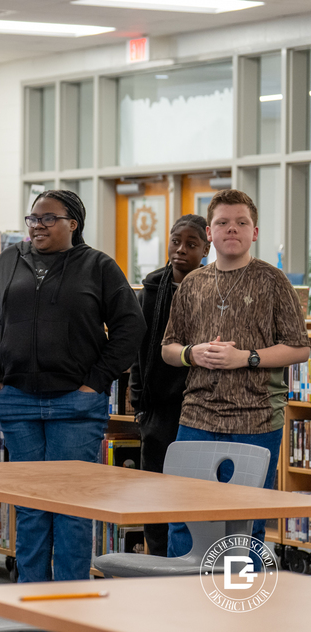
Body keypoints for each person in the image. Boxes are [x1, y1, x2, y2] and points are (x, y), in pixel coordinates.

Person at [0, 190, 145, 583]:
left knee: (72, 506)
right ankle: (29, 597)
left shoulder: (98, 266)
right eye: (33, 219)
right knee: (30, 506)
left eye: (48, 218)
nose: (37, 226)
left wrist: (95, 381)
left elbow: (131, 327)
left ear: (73, 224)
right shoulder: (9, 261)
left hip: (75, 406)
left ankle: (70, 601)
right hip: (16, 402)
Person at [162, 189, 310, 559]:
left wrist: (246, 358)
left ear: (255, 232)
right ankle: (182, 605)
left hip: (256, 418)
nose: (232, 229)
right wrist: (190, 354)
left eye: (241, 222)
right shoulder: (192, 284)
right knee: (184, 515)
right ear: (209, 233)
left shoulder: (274, 281)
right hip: (197, 415)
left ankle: (239, 608)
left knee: (245, 523)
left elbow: (300, 346)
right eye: (223, 223)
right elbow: (167, 349)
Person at [129, 214, 209, 557]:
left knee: (192, 490)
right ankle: (157, 559)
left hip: (199, 405)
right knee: (154, 488)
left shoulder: (212, 286)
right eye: (176, 241)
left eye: (191, 245)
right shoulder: (151, 287)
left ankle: (191, 560)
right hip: (157, 406)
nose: (181, 250)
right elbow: (139, 347)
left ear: (206, 249)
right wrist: (137, 400)